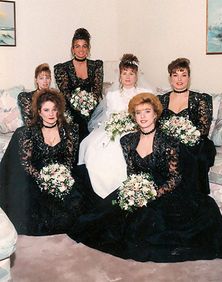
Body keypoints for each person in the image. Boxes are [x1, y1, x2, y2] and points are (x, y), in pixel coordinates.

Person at [69, 93, 222, 262]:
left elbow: (175, 178)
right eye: (138, 112)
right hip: (139, 187)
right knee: (100, 221)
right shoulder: (127, 140)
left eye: (147, 111)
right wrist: (134, 190)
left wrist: (153, 194)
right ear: (133, 116)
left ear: (155, 114)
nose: (143, 116)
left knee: (151, 227)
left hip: (165, 190)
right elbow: (132, 172)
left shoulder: (169, 142)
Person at [0, 89, 82, 235]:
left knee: (75, 209)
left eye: (54, 109)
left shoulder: (69, 131)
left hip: (60, 174)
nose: (51, 114)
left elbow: (69, 161)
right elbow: (26, 164)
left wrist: (62, 178)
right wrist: (44, 179)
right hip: (36, 175)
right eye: (46, 110)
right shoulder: (28, 133)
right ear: (39, 112)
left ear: (59, 111)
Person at [78, 54, 153, 200]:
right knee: (93, 148)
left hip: (136, 130)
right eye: (124, 73)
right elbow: (108, 117)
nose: (128, 77)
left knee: (118, 152)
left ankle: (125, 190)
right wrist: (116, 125)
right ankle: (102, 194)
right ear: (119, 75)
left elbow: (148, 118)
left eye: (131, 73)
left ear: (137, 75)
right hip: (114, 129)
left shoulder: (145, 94)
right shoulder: (112, 95)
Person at [158, 57, 216, 194]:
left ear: (188, 78)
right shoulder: (161, 99)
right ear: (170, 78)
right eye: (175, 75)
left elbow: (203, 129)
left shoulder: (200, 99)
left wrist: (184, 134)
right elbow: (157, 126)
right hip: (168, 143)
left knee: (193, 158)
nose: (179, 79)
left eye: (183, 75)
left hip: (195, 144)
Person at [54, 28, 103, 142]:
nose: (81, 50)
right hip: (70, 108)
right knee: (77, 122)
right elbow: (65, 93)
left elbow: (97, 91)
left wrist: (88, 105)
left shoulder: (96, 66)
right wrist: (80, 106)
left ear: (88, 49)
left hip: (92, 107)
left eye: (84, 46)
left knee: (96, 122)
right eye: (77, 46)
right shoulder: (62, 68)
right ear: (72, 49)